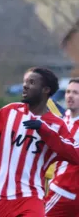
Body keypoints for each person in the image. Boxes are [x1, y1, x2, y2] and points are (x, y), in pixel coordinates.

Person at [0, 67, 79, 217]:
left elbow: (75, 154)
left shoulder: (56, 125)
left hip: (30, 197)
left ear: (45, 90)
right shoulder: (10, 111)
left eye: (32, 82)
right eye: (25, 82)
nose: (25, 86)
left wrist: (44, 130)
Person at [44, 78, 79, 216]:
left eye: (76, 93)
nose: (70, 95)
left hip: (65, 189)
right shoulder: (64, 119)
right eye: (68, 91)